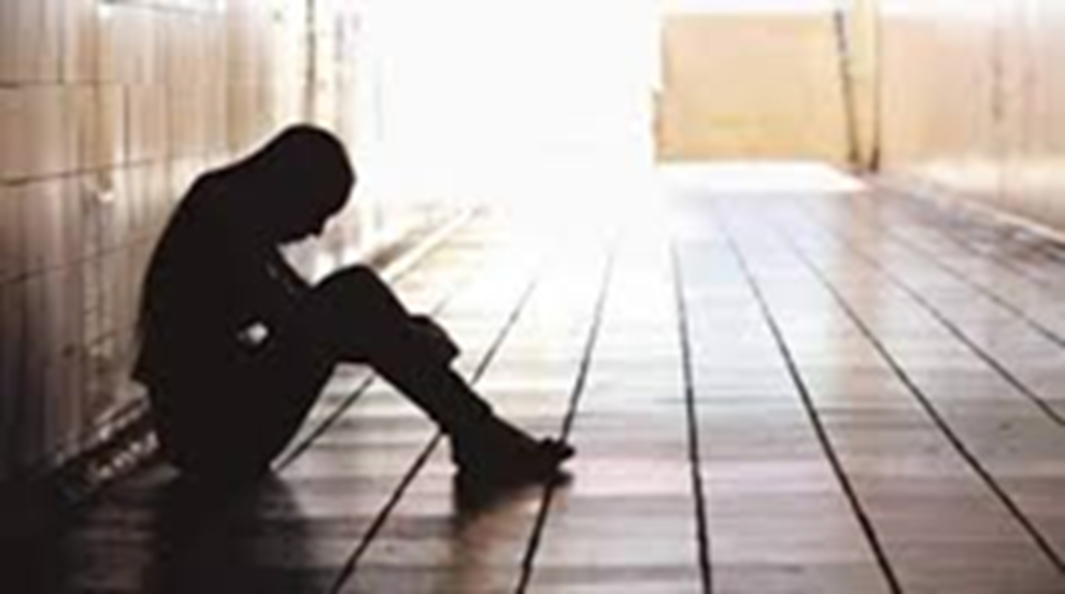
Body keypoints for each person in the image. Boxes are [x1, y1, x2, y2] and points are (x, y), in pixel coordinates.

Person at [132, 124, 573, 486]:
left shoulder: (229, 204)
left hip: (211, 427)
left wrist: (404, 332)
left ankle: (476, 433)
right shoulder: (223, 215)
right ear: (288, 187)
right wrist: (411, 339)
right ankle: (477, 433)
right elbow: (299, 320)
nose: (317, 230)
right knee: (355, 291)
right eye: (317, 211)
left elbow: (305, 309)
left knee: (355, 294)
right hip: (211, 439)